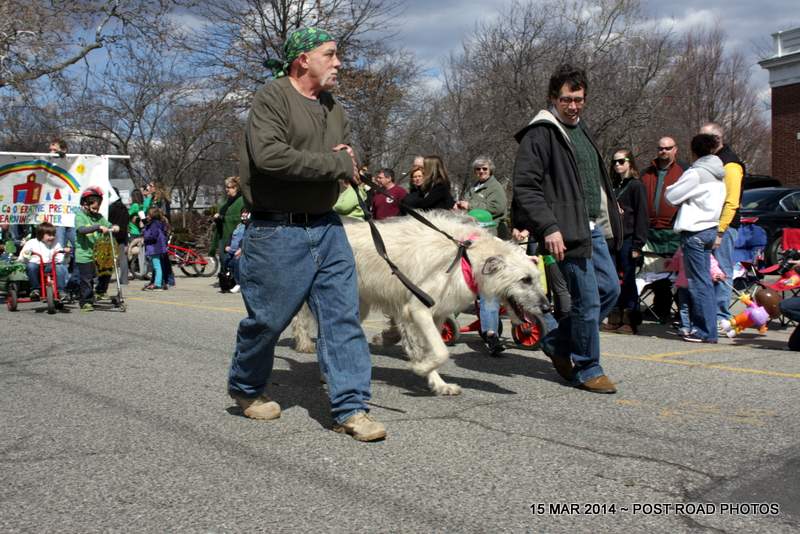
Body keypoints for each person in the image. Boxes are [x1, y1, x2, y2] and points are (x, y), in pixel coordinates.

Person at [229, 26, 385, 441]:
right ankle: (246, 389)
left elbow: (337, 158)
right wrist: (333, 166)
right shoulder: (272, 97)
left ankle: (351, 407)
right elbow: (269, 157)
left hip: (328, 227)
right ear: (303, 60)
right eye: (330, 54)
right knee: (267, 323)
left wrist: (347, 166)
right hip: (276, 231)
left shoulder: (335, 110)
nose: (338, 63)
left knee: (342, 318)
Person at [512, 64, 622, 394]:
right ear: (553, 98)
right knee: (586, 301)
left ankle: (558, 341)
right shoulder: (541, 133)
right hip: (565, 230)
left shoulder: (580, 130)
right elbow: (526, 186)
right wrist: (549, 227)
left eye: (579, 99)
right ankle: (588, 367)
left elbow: (590, 179)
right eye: (567, 99)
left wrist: (609, 204)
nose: (573, 106)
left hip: (593, 226)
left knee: (610, 291)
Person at [664, 133, 726, 343]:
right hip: (710, 228)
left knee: (699, 283)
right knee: (705, 281)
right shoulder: (719, 172)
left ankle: (704, 331)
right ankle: (709, 330)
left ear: (693, 151)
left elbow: (671, 196)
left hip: (695, 232)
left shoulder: (697, 173)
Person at [456, 156, 509, 355]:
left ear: (491, 170)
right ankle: (489, 327)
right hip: (473, 240)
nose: (481, 172)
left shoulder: (495, 188)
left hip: (492, 240)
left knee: (489, 289)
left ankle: (491, 333)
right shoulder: (473, 186)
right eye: (478, 169)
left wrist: (470, 206)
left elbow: (498, 208)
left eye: (484, 169)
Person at [700, 122, 745, 330]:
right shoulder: (709, 161)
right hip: (706, 223)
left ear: (718, 139)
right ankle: (706, 313)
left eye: (706, 138)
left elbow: (732, 201)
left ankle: (721, 316)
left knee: (722, 269)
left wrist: (720, 230)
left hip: (724, 227)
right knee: (707, 269)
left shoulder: (731, 164)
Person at [639, 136, 686, 323]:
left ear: (676, 149)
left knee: (678, 275)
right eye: (660, 148)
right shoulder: (646, 173)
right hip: (651, 231)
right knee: (657, 272)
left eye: (668, 148)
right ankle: (660, 309)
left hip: (674, 231)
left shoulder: (685, 172)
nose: (663, 152)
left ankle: (683, 313)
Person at [603, 149, 648, 334]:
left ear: (630, 162)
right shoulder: (612, 186)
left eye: (621, 161)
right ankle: (614, 317)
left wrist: (638, 244)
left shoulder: (636, 185)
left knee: (628, 280)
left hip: (629, 239)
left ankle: (630, 320)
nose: (617, 165)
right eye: (614, 162)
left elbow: (642, 216)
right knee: (612, 280)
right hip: (612, 239)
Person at [74, 187, 118, 312]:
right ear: (85, 203)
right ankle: (86, 302)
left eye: (98, 204)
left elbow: (108, 225)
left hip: (98, 253)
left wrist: (114, 227)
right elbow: (81, 230)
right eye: (93, 204)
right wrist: (97, 227)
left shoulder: (99, 217)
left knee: (107, 269)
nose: (96, 207)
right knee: (86, 279)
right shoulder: (80, 216)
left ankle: (100, 291)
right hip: (84, 253)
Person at [665, 247, 725, 337]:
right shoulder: (683, 250)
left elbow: (712, 264)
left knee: (693, 307)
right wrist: (669, 264)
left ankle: (692, 327)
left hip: (693, 285)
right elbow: (675, 263)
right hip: (685, 284)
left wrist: (717, 274)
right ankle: (686, 327)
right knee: (684, 307)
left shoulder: (701, 250)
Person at [18, 222, 69, 300]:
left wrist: (64, 252)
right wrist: (26, 254)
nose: (52, 237)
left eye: (53, 235)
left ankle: (61, 291)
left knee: (60, 267)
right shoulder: (32, 243)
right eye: (49, 235)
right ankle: (35, 289)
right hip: (37, 265)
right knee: (31, 266)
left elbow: (60, 257)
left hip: (50, 265)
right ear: (41, 235)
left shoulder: (56, 244)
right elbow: (23, 257)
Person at [210, 176, 245, 273]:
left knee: (234, 262)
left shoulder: (242, 201)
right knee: (223, 260)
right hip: (223, 236)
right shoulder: (223, 203)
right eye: (226, 187)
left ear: (235, 188)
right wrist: (217, 219)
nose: (226, 189)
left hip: (236, 237)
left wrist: (223, 218)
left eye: (228, 187)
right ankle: (226, 280)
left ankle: (235, 282)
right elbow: (219, 223)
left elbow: (242, 219)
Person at [142, 207, 169, 291]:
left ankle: (158, 284)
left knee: (157, 266)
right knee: (156, 266)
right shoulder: (157, 223)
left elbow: (153, 236)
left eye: (148, 215)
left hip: (155, 248)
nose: (146, 216)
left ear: (152, 216)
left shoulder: (154, 224)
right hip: (157, 247)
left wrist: (145, 238)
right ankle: (158, 282)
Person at [224, 209, 249, 293]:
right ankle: (230, 281)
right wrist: (227, 245)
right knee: (226, 261)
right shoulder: (239, 225)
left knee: (236, 262)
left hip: (242, 251)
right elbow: (231, 235)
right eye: (243, 216)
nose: (244, 218)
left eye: (246, 216)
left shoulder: (249, 226)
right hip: (232, 250)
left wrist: (241, 249)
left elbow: (246, 239)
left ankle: (239, 284)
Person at [127, 189, 147, 278]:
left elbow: (127, 215)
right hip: (140, 232)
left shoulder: (134, 206)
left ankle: (129, 271)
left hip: (133, 231)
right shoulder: (142, 206)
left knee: (130, 251)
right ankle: (139, 270)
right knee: (139, 252)